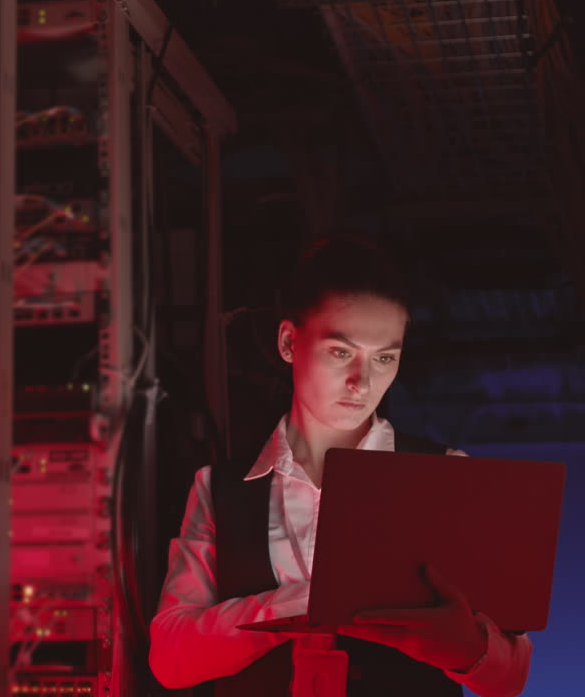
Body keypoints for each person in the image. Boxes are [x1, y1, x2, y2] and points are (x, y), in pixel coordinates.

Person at [147, 234, 532, 697]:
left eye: (385, 358)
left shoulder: (448, 475)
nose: (363, 381)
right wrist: (303, 603)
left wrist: (466, 646)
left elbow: (509, 677)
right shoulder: (219, 490)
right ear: (289, 342)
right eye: (341, 351)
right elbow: (169, 661)